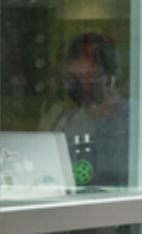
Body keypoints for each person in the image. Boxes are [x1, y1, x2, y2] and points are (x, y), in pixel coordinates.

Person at [45, 32, 132, 190]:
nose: (80, 86)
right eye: (73, 79)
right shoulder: (68, 122)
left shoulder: (135, 119)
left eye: (87, 77)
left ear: (109, 75)